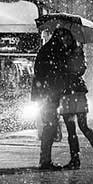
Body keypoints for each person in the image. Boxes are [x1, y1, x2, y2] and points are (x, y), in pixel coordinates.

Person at [59, 37, 93, 170]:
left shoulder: (64, 53)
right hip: (78, 91)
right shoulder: (79, 53)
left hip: (68, 93)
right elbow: (81, 70)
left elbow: (66, 71)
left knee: (72, 129)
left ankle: (75, 158)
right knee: (82, 126)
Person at [31, 28, 69, 170]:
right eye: (65, 38)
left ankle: (45, 159)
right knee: (50, 126)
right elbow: (55, 73)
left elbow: (38, 72)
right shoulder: (55, 51)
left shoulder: (47, 49)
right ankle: (45, 160)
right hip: (48, 95)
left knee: (50, 125)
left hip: (45, 94)